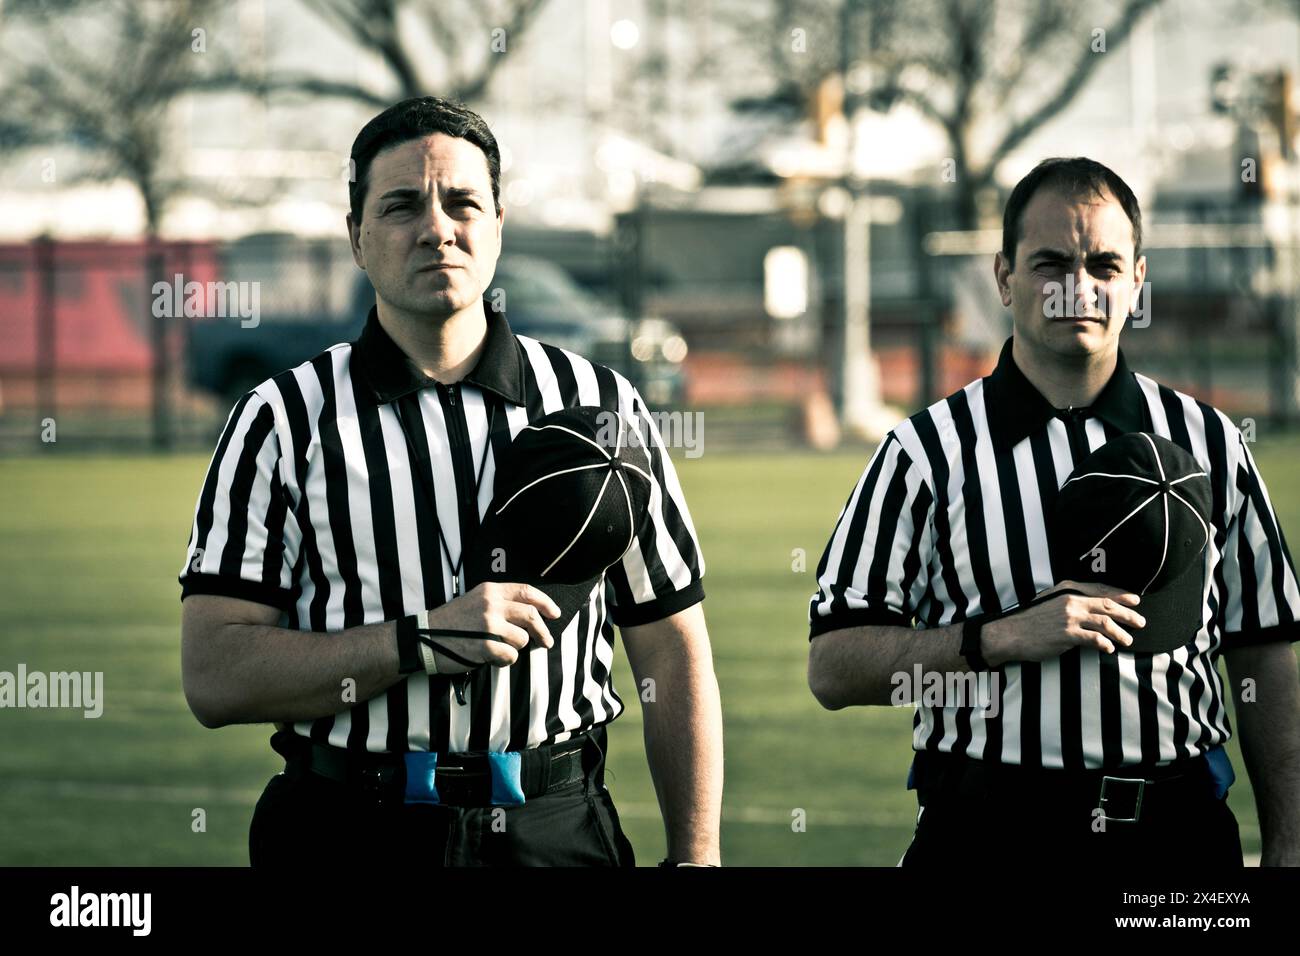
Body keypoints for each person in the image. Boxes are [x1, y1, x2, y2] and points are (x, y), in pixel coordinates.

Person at [178, 96, 723, 867]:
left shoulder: (602, 408)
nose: (437, 228)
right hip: (348, 828)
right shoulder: (281, 420)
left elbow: (672, 650)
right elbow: (214, 676)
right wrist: (418, 641)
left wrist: (698, 857)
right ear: (356, 237)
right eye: (401, 206)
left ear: (497, 223)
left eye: (463, 202)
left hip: (553, 826)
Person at [806, 157, 1300, 867]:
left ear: (1137, 279)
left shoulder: (1209, 442)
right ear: (1003, 277)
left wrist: (1288, 842)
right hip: (990, 832)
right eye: (1051, 263)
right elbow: (832, 667)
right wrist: (995, 639)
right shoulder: (925, 452)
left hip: (1175, 832)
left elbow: (1262, 649)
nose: (1079, 286)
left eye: (1104, 263)